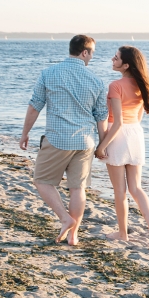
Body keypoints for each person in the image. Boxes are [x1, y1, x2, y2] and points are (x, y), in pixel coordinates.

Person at [20, 35, 108, 246]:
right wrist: (102, 145)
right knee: (78, 189)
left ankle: (65, 218)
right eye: (92, 53)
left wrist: (25, 133)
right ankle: (73, 235)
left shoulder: (49, 73)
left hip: (58, 139)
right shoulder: (96, 81)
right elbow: (101, 117)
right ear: (84, 52)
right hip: (86, 142)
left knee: (41, 181)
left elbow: (35, 106)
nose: (92, 57)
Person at [95, 46, 149, 248]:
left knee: (119, 191)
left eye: (116, 58)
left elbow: (117, 122)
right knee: (136, 187)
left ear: (126, 65)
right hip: (136, 135)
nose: (112, 60)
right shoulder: (143, 85)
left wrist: (101, 146)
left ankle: (123, 234)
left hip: (118, 137)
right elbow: (137, 117)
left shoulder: (115, 85)